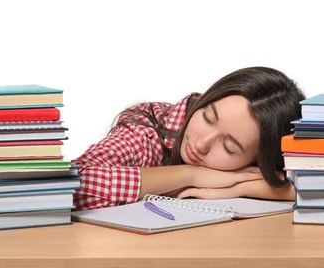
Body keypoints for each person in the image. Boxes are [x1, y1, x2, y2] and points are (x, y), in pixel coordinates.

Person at [72, 66, 305, 211]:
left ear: (258, 159)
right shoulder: (147, 132)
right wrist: (193, 174)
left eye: (228, 147)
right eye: (207, 117)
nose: (202, 144)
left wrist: (236, 188)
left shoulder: (251, 166)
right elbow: (71, 184)